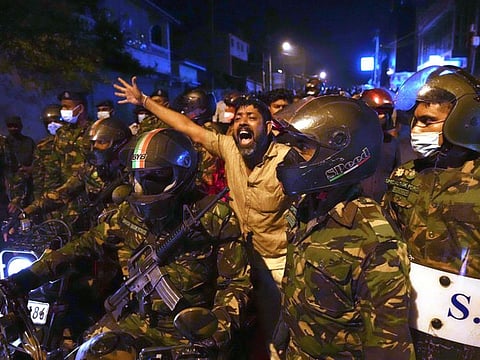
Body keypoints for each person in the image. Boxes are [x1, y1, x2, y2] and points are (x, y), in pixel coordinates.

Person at [0, 129, 251, 358]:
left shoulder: (214, 216)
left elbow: (235, 283)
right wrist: (25, 279)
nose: (145, 184)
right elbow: (82, 246)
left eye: (156, 176)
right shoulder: (128, 213)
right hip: (132, 319)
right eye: (140, 176)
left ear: (182, 173)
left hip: (189, 331)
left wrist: (217, 330)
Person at [114, 76, 301, 359]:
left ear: (269, 126)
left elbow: (307, 202)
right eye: (238, 117)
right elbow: (187, 127)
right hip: (237, 256)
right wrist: (144, 101)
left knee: (279, 335)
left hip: (275, 262)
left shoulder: (287, 159)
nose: (242, 122)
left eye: (252, 117)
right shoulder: (229, 148)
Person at [274, 95, 415, 359]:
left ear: (340, 154)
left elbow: (388, 345)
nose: (291, 157)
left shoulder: (374, 241)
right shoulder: (306, 208)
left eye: (303, 146)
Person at [383, 65, 480, 359]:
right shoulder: (405, 176)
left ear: (463, 121)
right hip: (413, 319)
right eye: (414, 121)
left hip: (468, 330)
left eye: (427, 121)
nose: (415, 131)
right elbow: (390, 239)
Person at [23, 116, 132, 232]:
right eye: (93, 143)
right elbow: (64, 192)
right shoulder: (92, 168)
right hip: (97, 231)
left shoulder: (133, 173)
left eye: (101, 142)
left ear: (118, 143)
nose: (95, 147)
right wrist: (29, 210)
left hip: (124, 233)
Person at [171, 87, 224, 195]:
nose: (184, 110)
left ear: (203, 110)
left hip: (205, 192)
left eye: (189, 107)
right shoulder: (190, 130)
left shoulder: (209, 131)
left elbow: (208, 174)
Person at [359, 88, 402, 202]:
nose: (384, 117)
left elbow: (395, 176)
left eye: (386, 113)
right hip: (353, 208)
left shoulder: (391, 143)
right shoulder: (352, 141)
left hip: (381, 208)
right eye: (379, 112)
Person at [4, 115, 36, 211]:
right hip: (9, 184)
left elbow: (37, 161)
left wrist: (31, 169)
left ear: (21, 126)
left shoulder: (28, 142)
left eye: (15, 126)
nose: (13, 128)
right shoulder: (4, 143)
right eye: (10, 126)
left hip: (28, 182)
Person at [32, 104, 64, 200]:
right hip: (49, 194)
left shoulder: (72, 142)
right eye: (49, 122)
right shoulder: (42, 146)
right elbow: (38, 174)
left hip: (69, 191)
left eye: (56, 121)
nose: (52, 124)